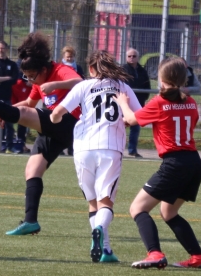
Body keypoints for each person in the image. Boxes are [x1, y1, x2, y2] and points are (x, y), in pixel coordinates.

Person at [0, 33, 82, 235]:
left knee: (26, 115)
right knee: (32, 170)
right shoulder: (38, 82)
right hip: (53, 127)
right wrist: (3, 111)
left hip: (70, 122)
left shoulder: (60, 70)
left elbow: (80, 83)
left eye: (33, 76)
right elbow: (28, 103)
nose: (30, 80)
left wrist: (55, 85)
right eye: (27, 76)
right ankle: (30, 222)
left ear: (44, 69)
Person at [116, 57, 201, 269]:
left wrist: (123, 103)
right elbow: (187, 121)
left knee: (137, 208)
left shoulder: (159, 102)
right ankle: (198, 257)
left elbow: (131, 119)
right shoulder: (190, 101)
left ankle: (155, 254)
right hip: (194, 163)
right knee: (168, 212)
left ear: (162, 79)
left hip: (174, 163)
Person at [50, 51, 142, 263]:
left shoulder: (83, 86)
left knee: (93, 202)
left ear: (91, 69)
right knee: (105, 202)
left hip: (83, 148)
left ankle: (105, 251)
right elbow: (137, 117)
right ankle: (99, 228)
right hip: (110, 147)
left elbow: (56, 113)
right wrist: (124, 118)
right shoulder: (122, 87)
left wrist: (54, 120)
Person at [122, 47, 150, 158]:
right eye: (129, 56)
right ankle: (119, 149)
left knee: (135, 128)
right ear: (126, 57)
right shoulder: (122, 70)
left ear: (138, 57)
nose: (132, 58)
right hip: (125, 103)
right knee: (121, 126)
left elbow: (147, 86)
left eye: (134, 56)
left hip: (138, 104)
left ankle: (132, 150)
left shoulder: (142, 71)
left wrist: (142, 99)